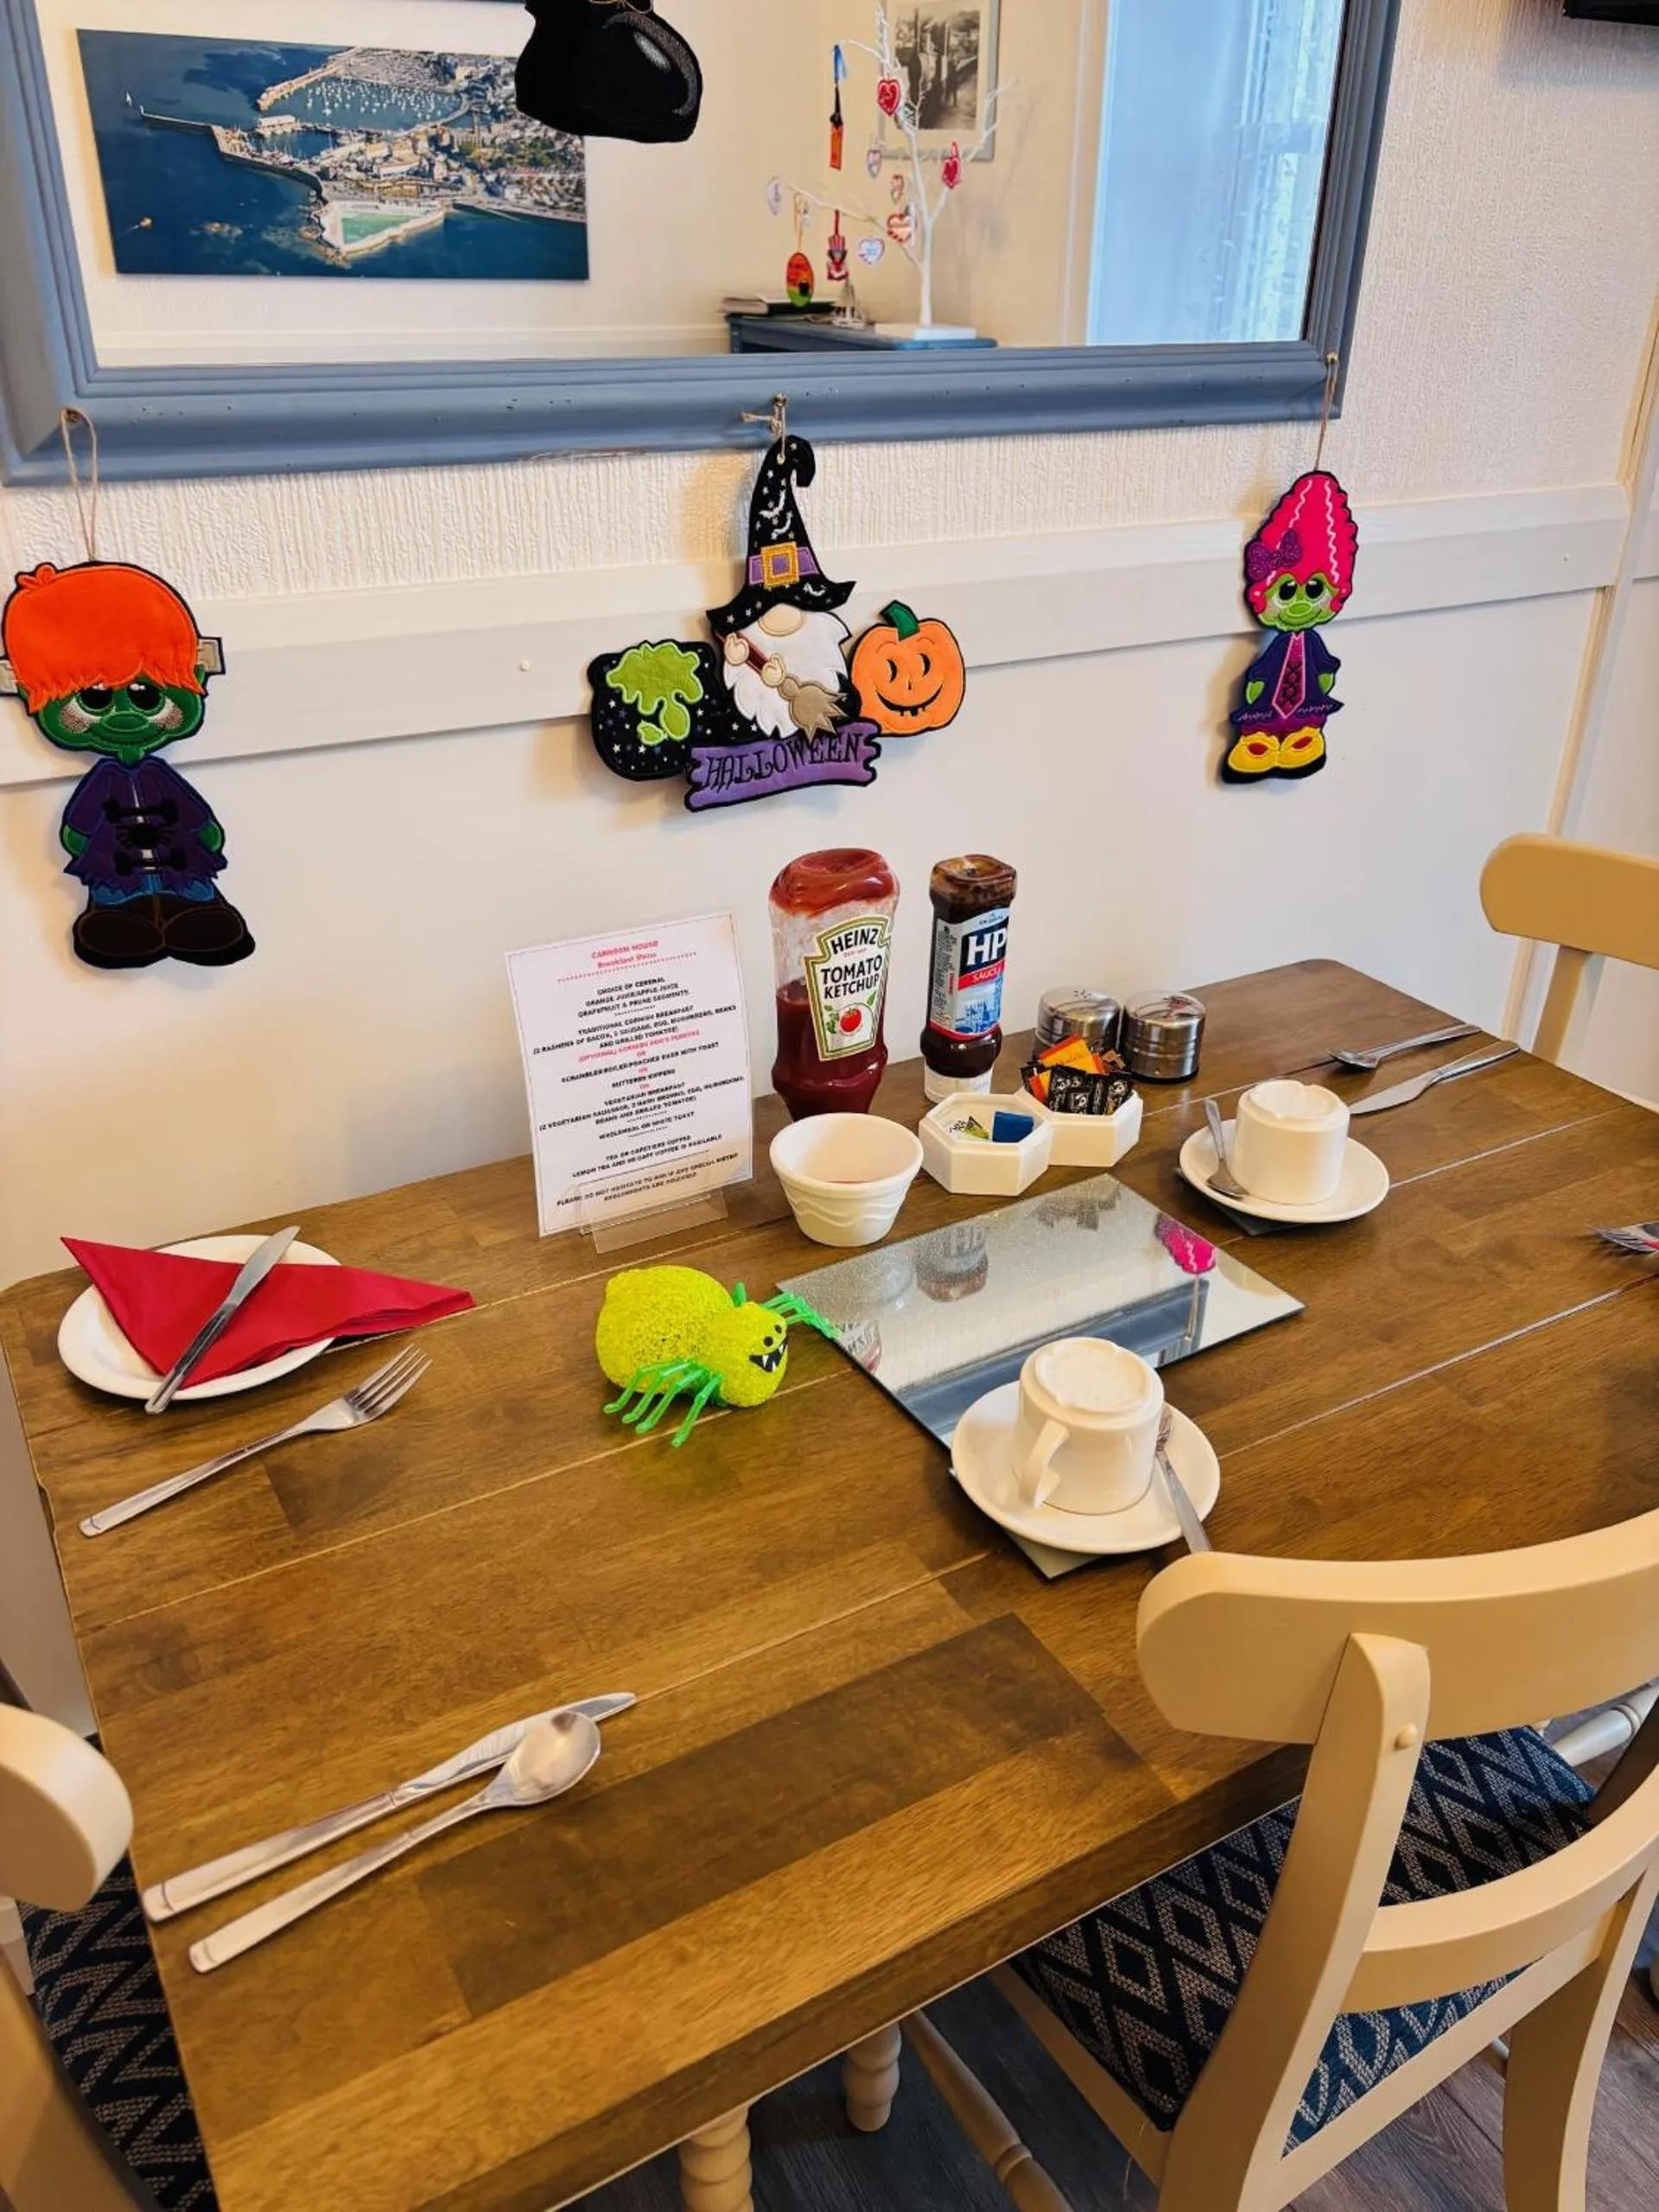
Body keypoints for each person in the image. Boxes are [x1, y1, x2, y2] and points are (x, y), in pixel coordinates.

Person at [1, 561, 253, 969]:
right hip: (120, 871)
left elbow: (196, 818)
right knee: (118, 904)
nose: (125, 715)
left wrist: (206, 835)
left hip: (182, 868)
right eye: (95, 699)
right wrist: (83, 843)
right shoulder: (104, 780)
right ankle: (119, 917)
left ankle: (195, 911)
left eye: (146, 695)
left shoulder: (159, 776)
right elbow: (78, 830)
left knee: (195, 898)